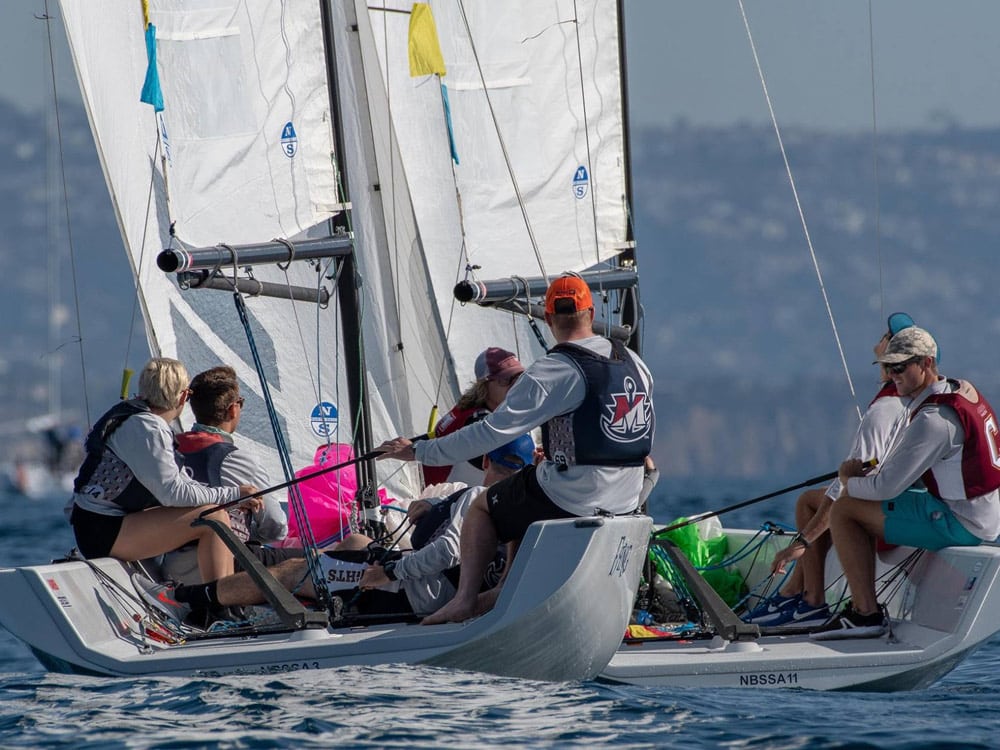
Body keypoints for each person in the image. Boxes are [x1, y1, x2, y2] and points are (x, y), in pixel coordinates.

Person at [379, 272, 655, 625]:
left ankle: (466, 600)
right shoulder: (636, 363)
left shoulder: (556, 369)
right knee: (526, 485)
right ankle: (507, 588)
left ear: (549, 319)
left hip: (575, 497)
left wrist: (418, 452)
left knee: (482, 506)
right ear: (591, 314)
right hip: (628, 497)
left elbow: (491, 432)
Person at [133, 435, 537, 622]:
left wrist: (391, 572)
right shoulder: (518, 510)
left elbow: (449, 551)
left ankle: (186, 597)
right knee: (355, 541)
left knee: (301, 568)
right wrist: (429, 505)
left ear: (485, 461)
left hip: (408, 592)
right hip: (428, 586)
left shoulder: (476, 500)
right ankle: (270, 592)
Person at [814, 327, 1000, 639]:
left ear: (927, 364)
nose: (892, 374)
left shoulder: (935, 420)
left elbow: (886, 488)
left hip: (964, 523)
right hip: (982, 512)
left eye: (900, 367)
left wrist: (848, 480)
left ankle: (865, 615)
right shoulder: (960, 389)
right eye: (888, 367)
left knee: (845, 509)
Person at [744, 313, 920, 627]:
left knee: (818, 504)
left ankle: (808, 600)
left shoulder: (885, 409)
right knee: (810, 500)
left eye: (884, 337)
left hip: (893, 516)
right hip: (900, 502)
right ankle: (800, 596)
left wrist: (798, 545)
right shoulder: (903, 401)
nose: (875, 342)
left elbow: (846, 488)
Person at [67, 358, 263, 582]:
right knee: (214, 519)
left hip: (99, 523)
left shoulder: (139, 420)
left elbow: (183, 483)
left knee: (214, 511)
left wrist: (231, 496)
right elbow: (173, 494)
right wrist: (234, 494)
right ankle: (219, 603)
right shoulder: (149, 428)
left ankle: (223, 599)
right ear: (182, 397)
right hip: (101, 531)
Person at [164, 365, 293, 584]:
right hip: (223, 567)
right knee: (314, 563)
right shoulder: (237, 459)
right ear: (233, 409)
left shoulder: (167, 450)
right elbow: (275, 526)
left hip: (170, 567)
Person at [423, 347, 525, 486]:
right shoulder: (476, 421)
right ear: (484, 385)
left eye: (520, 378)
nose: (515, 386)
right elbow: (509, 462)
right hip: (446, 499)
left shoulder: (466, 407)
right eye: (505, 379)